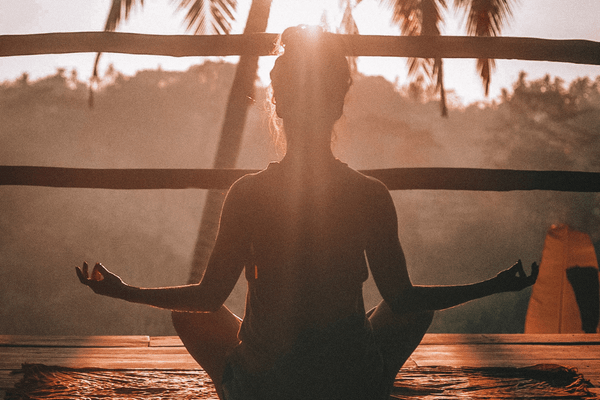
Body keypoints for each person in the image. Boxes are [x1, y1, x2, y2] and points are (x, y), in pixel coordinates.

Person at [76, 25, 539, 400]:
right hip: (348, 384)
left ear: (277, 105)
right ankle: (373, 385)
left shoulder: (248, 193)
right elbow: (404, 300)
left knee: (187, 315)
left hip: (268, 385)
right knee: (412, 311)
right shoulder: (369, 194)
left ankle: (235, 391)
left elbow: (206, 297)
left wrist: (123, 291)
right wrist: (494, 285)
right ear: (338, 103)